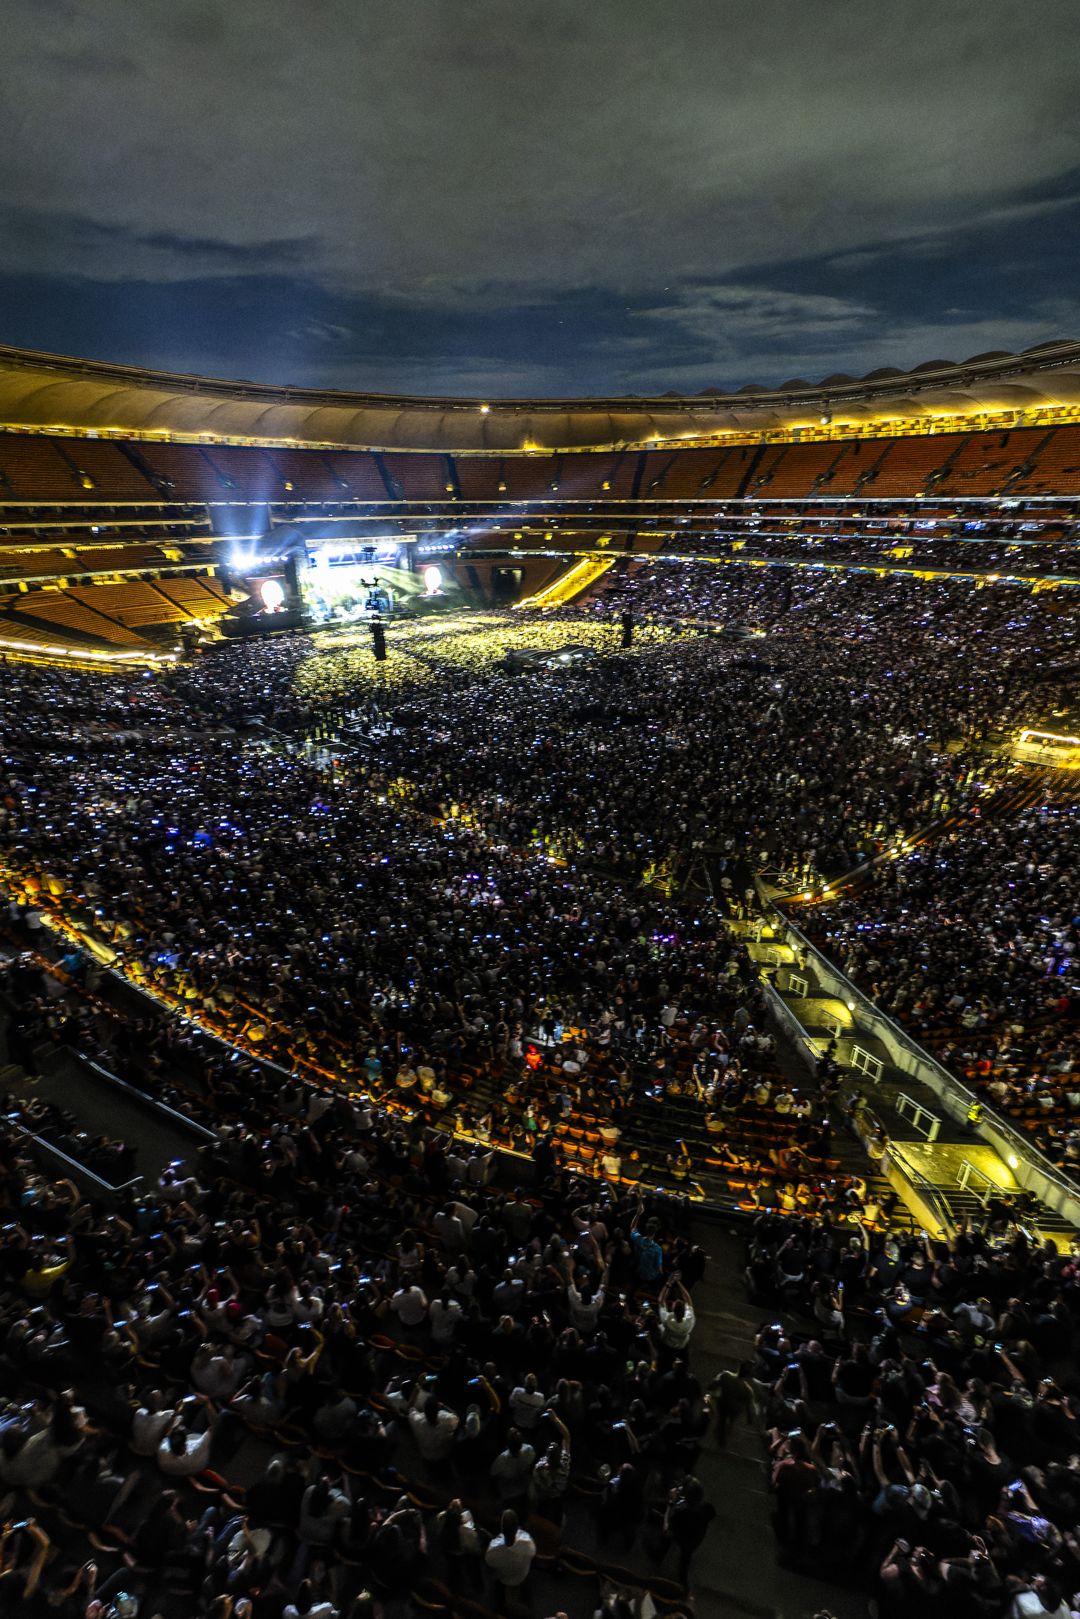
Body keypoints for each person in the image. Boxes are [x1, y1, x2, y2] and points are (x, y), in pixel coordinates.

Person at [484, 1509, 535, 1609]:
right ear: (517, 1528)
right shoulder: (527, 1542)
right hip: (522, 1576)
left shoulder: (493, 1550)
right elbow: (532, 1553)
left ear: (502, 1529)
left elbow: (489, 1561)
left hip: (505, 1579)